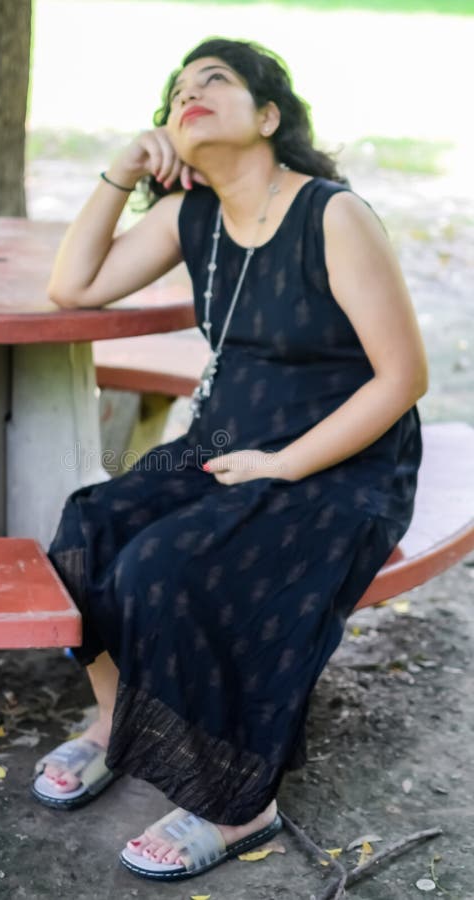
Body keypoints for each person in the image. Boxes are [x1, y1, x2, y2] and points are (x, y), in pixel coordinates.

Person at [31, 37, 428, 882]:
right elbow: (74, 287)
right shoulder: (191, 215)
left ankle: (239, 803)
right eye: (177, 91)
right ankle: (120, 726)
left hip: (341, 458)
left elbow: (403, 377)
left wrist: (285, 466)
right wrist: (118, 169)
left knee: (165, 568)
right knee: (88, 525)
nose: (190, 95)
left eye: (216, 81)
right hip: (223, 442)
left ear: (269, 115)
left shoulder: (332, 212)